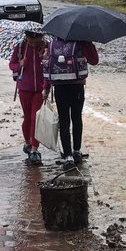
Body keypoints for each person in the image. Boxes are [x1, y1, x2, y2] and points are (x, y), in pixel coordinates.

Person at [42, 37, 99, 169]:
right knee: (76, 118)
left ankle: (68, 156)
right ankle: (77, 151)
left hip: (59, 88)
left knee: (64, 121)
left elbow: (47, 66)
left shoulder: (51, 44)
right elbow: (94, 61)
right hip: (77, 87)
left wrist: (46, 87)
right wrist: (89, 43)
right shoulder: (81, 42)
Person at [9, 30, 48, 165]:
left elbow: (52, 65)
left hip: (41, 89)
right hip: (24, 88)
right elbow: (11, 65)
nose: (33, 42)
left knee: (35, 118)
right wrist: (20, 64)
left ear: (41, 36)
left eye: (36, 39)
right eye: (30, 39)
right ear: (26, 37)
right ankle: (27, 142)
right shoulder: (20, 47)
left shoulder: (47, 47)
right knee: (27, 117)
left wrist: (44, 56)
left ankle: (35, 150)